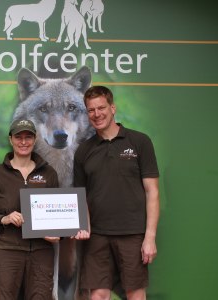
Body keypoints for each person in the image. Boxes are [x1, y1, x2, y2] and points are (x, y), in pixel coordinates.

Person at [0, 119, 89, 300]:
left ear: (35, 140)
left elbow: (56, 215)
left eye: (28, 137)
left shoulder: (48, 173)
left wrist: (65, 232)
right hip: (7, 252)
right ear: (11, 139)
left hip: (41, 254)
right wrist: (3, 219)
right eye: (18, 137)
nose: (23, 142)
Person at [73, 86, 160, 300]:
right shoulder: (84, 150)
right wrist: (82, 224)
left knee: (135, 294)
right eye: (91, 110)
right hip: (97, 237)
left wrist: (150, 237)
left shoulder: (140, 142)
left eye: (101, 108)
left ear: (113, 108)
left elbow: (152, 192)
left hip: (133, 234)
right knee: (98, 295)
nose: (97, 114)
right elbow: (80, 196)